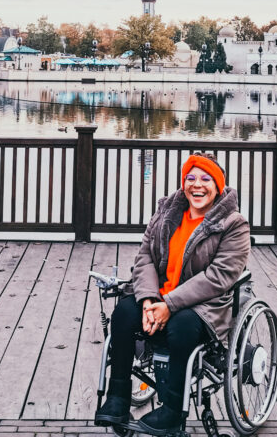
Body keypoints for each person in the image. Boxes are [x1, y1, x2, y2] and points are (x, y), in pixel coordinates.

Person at [94, 152, 250, 436]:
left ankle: (172, 409)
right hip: (159, 297)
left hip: (205, 305)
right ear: (183, 183)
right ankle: (117, 398)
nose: (197, 185)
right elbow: (145, 258)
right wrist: (149, 300)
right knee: (124, 313)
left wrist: (169, 304)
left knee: (181, 325)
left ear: (217, 185)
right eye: (191, 178)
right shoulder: (167, 213)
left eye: (205, 179)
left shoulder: (233, 224)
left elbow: (219, 277)